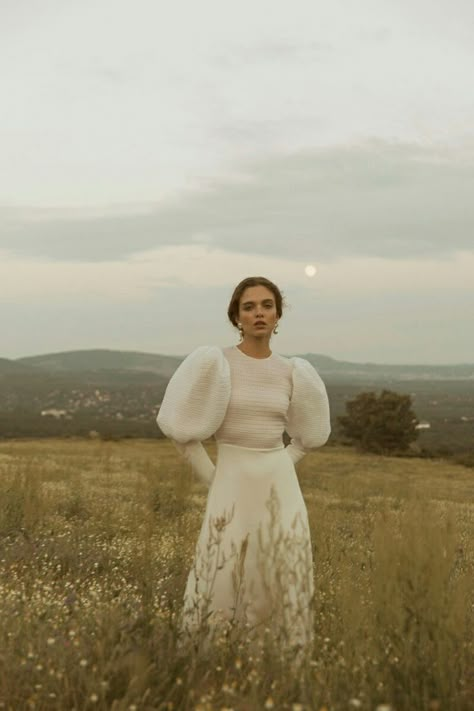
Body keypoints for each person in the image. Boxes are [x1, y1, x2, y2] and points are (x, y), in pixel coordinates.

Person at [156, 276, 331, 660]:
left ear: (277, 314)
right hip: (230, 479)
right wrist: (215, 478)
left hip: (280, 484)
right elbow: (181, 433)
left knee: (281, 564)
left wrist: (282, 464)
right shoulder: (215, 364)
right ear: (236, 315)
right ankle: (214, 659)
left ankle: (275, 661)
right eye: (249, 307)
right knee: (222, 568)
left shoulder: (292, 371)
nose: (258, 313)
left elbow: (308, 436)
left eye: (266, 305)